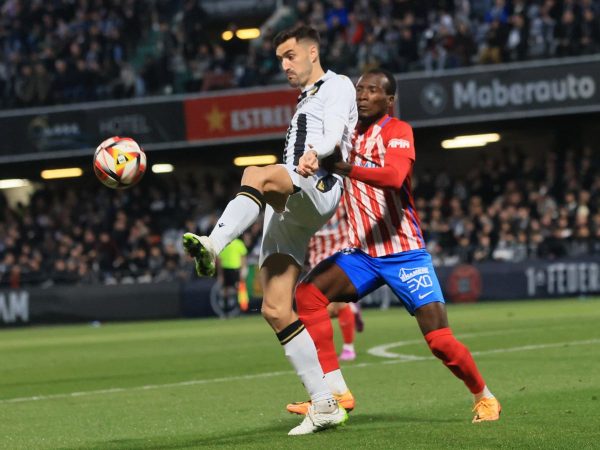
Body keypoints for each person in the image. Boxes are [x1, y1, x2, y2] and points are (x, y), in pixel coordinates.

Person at [287, 69, 502, 423]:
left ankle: (485, 397)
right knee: (308, 296)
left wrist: (345, 167)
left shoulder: (398, 131)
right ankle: (336, 392)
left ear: (389, 100)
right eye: (359, 89)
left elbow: (394, 177)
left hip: (405, 253)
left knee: (439, 341)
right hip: (362, 255)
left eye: (373, 90)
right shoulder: (343, 134)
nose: (363, 95)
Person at [182, 25, 357, 435]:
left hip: (318, 184)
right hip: (290, 205)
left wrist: (320, 151)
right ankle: (325, 403)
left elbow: (334, 130)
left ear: (313, 52)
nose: (285, 64)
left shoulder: (337, 85)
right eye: (281, 58)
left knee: (253, 173)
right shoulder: (305, 100)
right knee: (276, 308)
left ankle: (213, 242)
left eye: (291, 55)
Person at [305, 196, 363, 362]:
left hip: (341, 252)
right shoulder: (305, 203)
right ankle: (353, 310)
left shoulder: (341, 198)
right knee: (325, 309)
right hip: (317, 257)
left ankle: (348, 347)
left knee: (338, 303)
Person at [216, 238, 247, 317]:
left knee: (239, 290)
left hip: (236, 269)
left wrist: (243, 269)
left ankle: (242, 311)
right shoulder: (223, 244)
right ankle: (226, 312)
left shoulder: (239, 243)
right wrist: (220, 274)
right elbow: (219, 260)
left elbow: (243, 257)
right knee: (226, 291)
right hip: (225, 269)